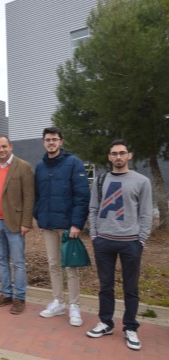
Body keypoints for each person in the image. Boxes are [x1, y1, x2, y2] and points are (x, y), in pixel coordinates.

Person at [86, 139, 152, 351]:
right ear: (109, 157)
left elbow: (146, 213)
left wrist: (141, 239)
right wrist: (95, 235)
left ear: (129, 155)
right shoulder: (101, 180)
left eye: (122, 153)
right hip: (104, 241)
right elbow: (93, 208)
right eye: (114, 153)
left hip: (130, 242)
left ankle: (130, 326)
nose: (118, 157)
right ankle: (106, 323)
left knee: (130, 288)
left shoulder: (141, 181)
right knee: (105, 286)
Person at [34, 127, 90, 326]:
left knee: (70, 267)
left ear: (61, 142)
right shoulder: (40, 167)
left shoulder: (73, 163)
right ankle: (58, 301)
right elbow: (37, 195)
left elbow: (82, 196)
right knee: (53, 264)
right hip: (48, 224)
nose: (51, 142)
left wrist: (77, 223)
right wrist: (38, 215)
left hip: (68, 227)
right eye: (48, 139)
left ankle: (75, 306)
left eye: (54, 139)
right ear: (43, 142)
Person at [0, 136, 34, 314]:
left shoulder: (23, 166)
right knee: (1, 260)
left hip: (15, 223)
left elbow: (29, 197)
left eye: (4, 146)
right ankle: (6, 294)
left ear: (10, 147)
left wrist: (26, 222)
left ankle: (19, 297)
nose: (1, 150)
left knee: (19, 263)